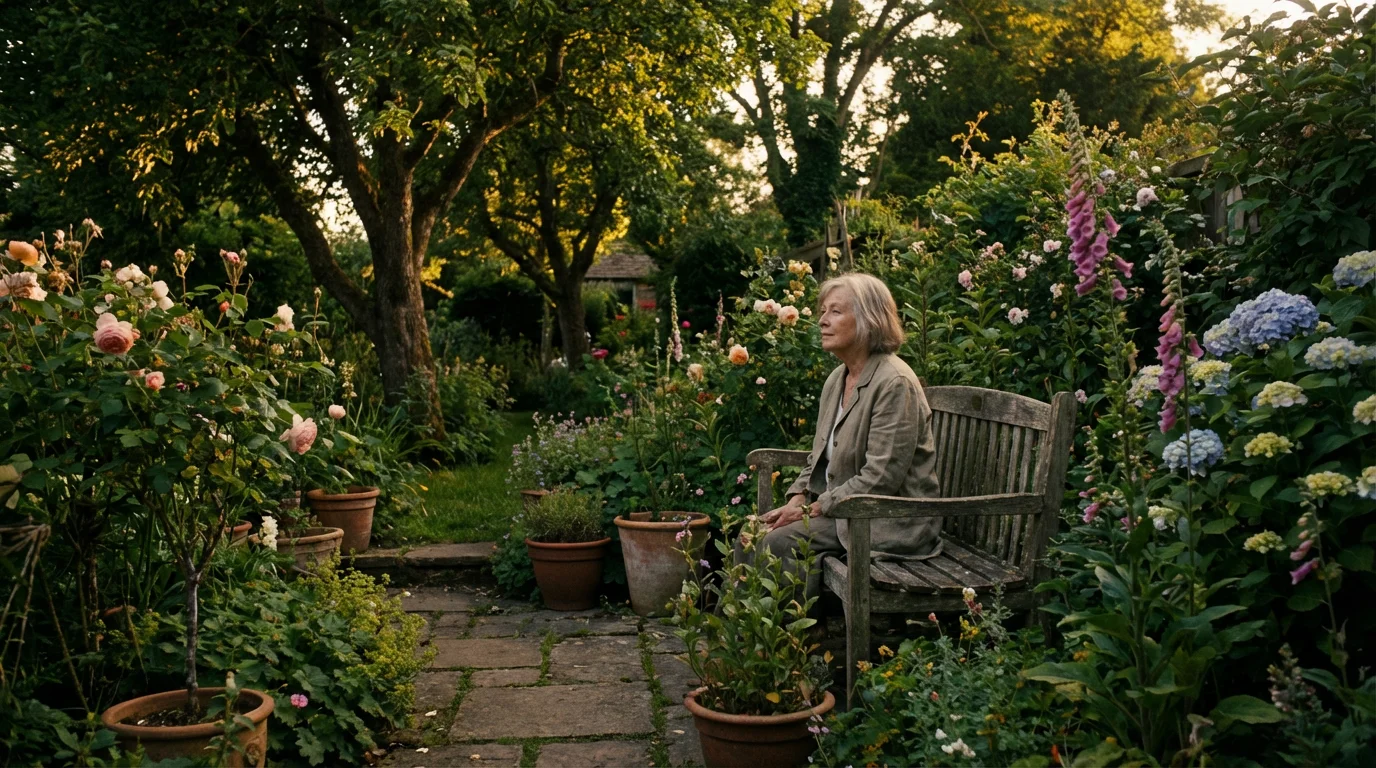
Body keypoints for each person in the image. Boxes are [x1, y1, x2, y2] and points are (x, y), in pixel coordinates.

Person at [747, 272, 941, 598]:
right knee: (752, 531)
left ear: (868, 319)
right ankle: (745, 623)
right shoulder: (838, 379)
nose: (822, 320)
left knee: (776, 541)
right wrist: (798, 497)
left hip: (888, 520)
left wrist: (811, 510)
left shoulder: (894, 383)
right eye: (823, 311)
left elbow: (880, 478)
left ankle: (786, 628)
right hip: (847, 513)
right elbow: (818, 456)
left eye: (835, 311)